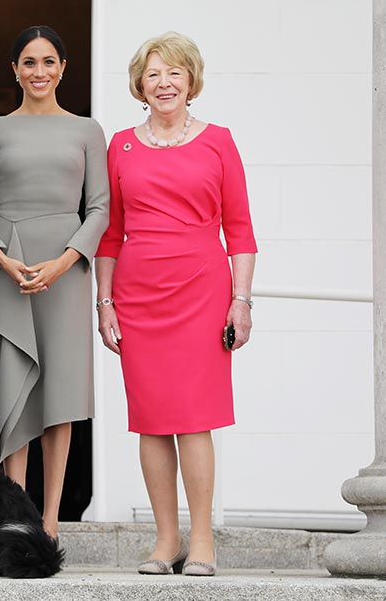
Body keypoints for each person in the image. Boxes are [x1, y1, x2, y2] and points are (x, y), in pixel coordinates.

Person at [94, 31, 257, 576]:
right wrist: (105, 303)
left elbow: (241, 231)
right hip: (139, 296)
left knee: (195, 419)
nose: (164, 83)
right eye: (154, 74)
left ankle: (203, 540)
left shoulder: (219, 140)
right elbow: (110, 234)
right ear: (140, 84)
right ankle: (166, 541)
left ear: (191, 82)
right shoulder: (120, 144)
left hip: (203, 293)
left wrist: (241, 301)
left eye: (175, 74)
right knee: (152, 420)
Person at [0, 25, 110, 539]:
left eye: (48, 61)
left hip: (64, 273)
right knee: (13, 387)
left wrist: (65, 262)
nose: (39, 71)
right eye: (29, 62)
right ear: (14, 70)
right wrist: (0, 257)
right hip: (10, 266)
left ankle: (50, 522)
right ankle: (15, 514)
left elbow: (100, 209)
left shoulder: (87, 130)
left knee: (59, 393)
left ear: (63, 68)